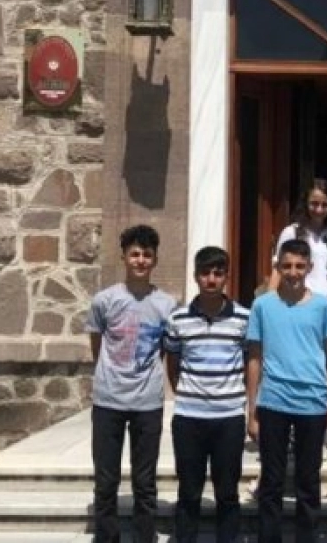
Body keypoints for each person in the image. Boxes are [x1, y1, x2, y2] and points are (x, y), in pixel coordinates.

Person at [85, 224, 176, 543]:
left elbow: (164, 350)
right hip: (108, 400)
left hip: (147, 402)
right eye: (134, 254)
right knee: (105, 480)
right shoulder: (104, 300)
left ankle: (144, 537)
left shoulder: (167, 305)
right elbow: (97, 345)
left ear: (155, 260)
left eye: (147, 255)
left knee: (145, 481)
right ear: (124, 257)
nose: (140, 260)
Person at [247, 239, 327, 543]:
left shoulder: (322, 306)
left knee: (308, 482)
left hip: (312, 402)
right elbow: (254, 357)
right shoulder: (262, 306)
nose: (293, 272)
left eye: (300, 266)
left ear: (310, 267)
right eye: (286, 265)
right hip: (273, 400)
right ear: (277, 267)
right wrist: (252, 409)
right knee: (271, 482)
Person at [164, 246, 250, 543]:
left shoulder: (244, 318)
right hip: (189, 418)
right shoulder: (178, 319)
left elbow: (249, 361)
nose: (211, 279)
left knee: (227, 492)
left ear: (226, 276)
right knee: (189, 491)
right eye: (205, 273)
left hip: (229, 418)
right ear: (195, 276)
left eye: (218, 273)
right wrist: (189, 394)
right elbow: (173, 364)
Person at [268, 178, 327, 297]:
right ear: (305, 203)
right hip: (298, 301)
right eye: (314, 204)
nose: (319, 209)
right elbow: (277, 269)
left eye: (325, 205)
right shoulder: (292, 232)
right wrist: (269, 301)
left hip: (326, 303)